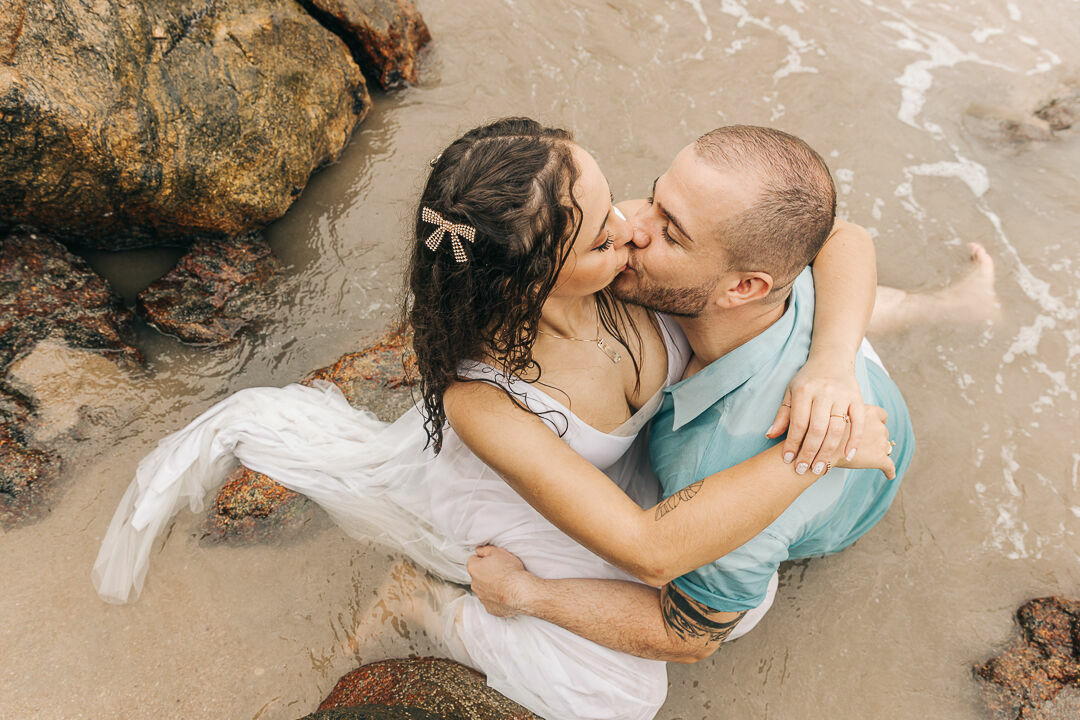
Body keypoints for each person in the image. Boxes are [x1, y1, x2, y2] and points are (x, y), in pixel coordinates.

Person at [93, 118, 899, 720]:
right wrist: (813, 451)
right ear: (540, 282)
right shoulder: (494, 395)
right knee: (622, 691)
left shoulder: (620, 263)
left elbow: (832, 238)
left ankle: (935, 308)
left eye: (629, 198)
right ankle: (437, 604)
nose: (628, 224)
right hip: (532, 482)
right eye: (605, 231)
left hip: (617, 468)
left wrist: (832, 360)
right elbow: (649, 553)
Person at [465, 125, 924, 664]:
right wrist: (832, 358)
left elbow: (685, 636)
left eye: (671, 233)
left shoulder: (726, 460)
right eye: (656, 198)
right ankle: (946, 305)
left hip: (843, 488)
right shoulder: (772, 259)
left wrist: (524, 594)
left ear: (742, 287)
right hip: (843, 363)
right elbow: (842, 236)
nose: (633, 226)